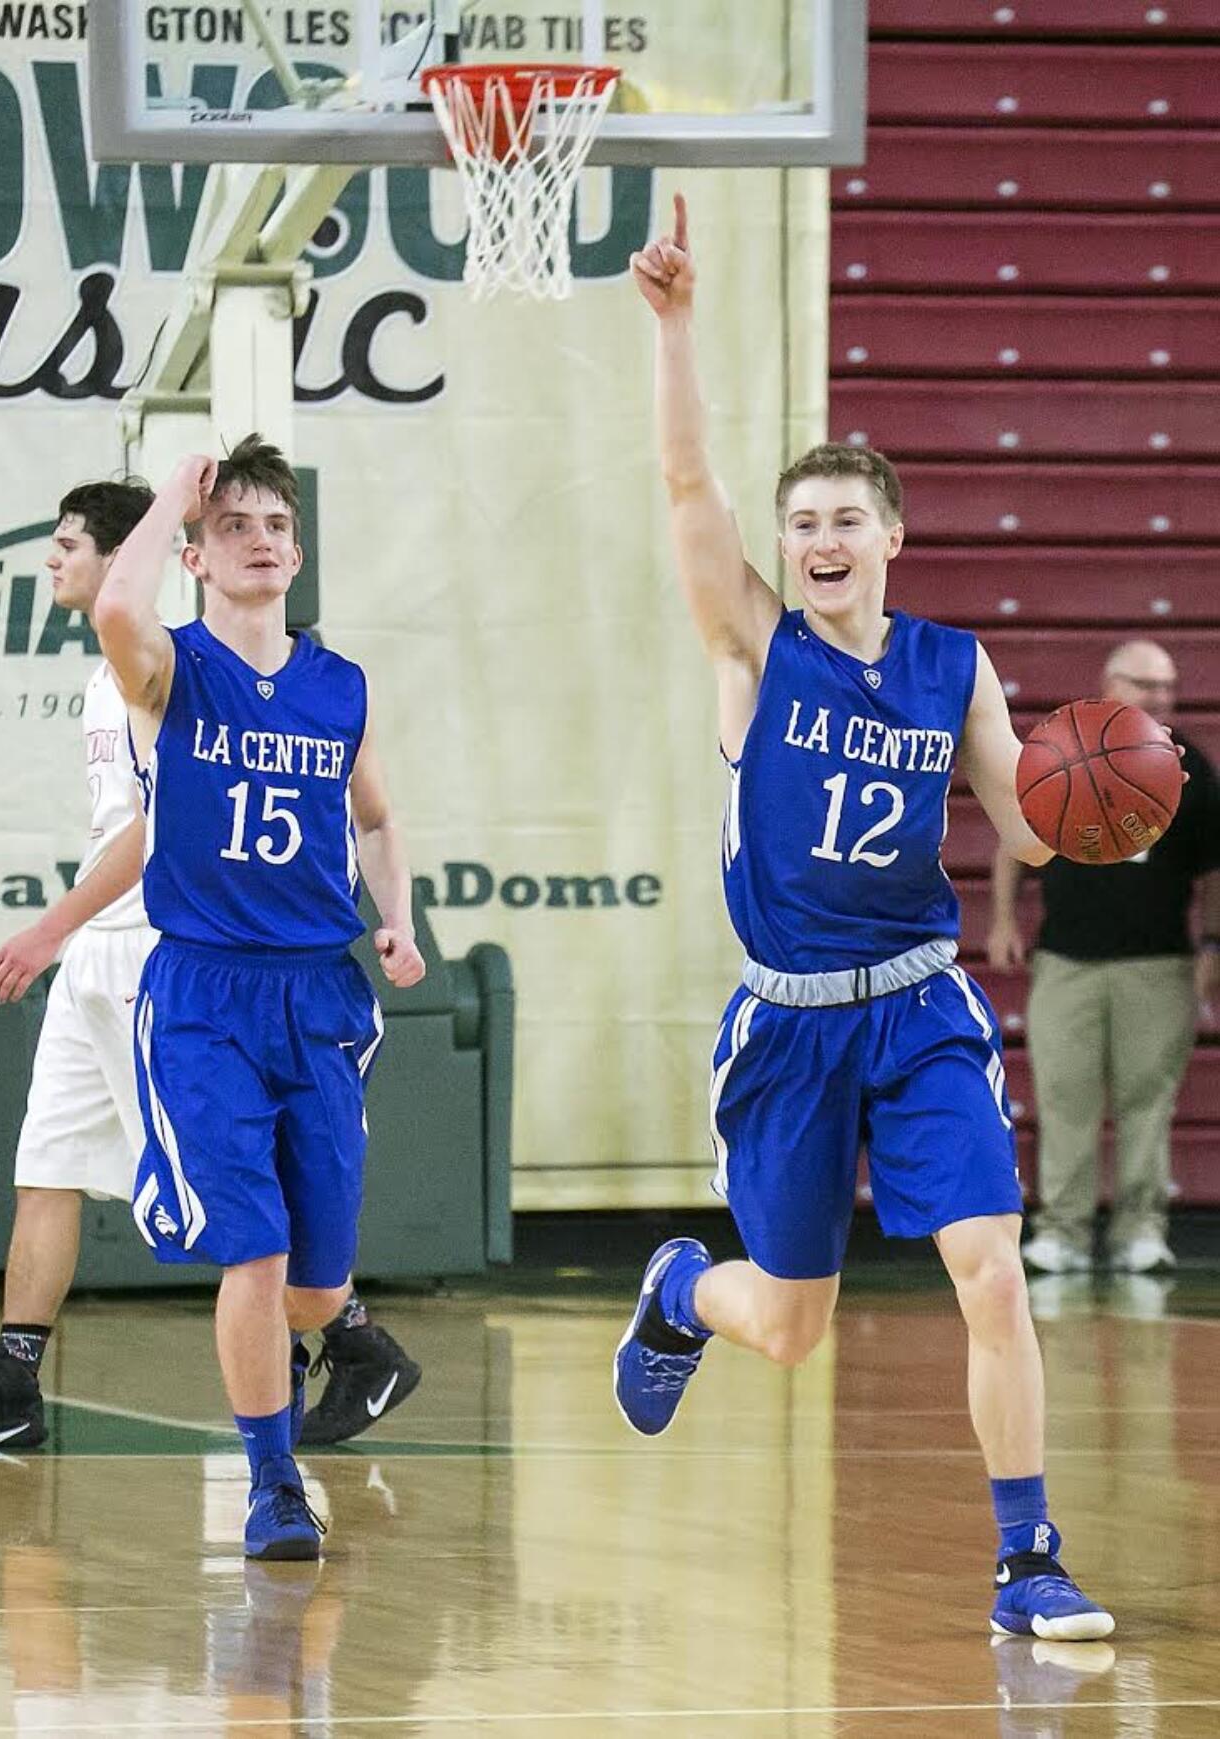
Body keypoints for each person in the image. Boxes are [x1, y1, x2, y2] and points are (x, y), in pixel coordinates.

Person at [613, 195, 1115, 1640]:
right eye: (802, 522)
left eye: (845, 519)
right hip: (785, 1020)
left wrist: (1100, 815)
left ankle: (1026, 1559)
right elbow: (684, 484)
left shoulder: (954, 667)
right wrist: (674, 324)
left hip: (914, 1005)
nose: (821, 537)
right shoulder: (752, 647)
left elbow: (1021, 821)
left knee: (987, 1270)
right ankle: (678, 1292)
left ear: (892, 534)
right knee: (785, 1321)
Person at [0, 480, 420, 1457]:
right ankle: (14, 1376)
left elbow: (151, 833)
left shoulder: (174, 666)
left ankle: (341, 1345)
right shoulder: (114, 677)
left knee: (246, 1221)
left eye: (68, 544)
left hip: (179, 949)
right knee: (46, 1162)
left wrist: (49, 924)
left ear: (133, 554)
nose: (53, 561)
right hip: (104, 956)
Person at [93, 436, 425, 1560]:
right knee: (257, 1249)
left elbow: (374, 816)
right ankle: (271, 1480)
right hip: (202, 992)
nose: (262, 540)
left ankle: (349, 1341)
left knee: (313, 1277)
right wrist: (166, 502)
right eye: (233, 525)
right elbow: (110, 609)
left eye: (276, 525)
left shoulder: (340, 686)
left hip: (319, 993)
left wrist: (397, 914)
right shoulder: (171, 667)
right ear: (194, 553)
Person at [988, 639, 1220, 1277]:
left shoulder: (1190, 765)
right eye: (1146, 684)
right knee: (1065, 1100)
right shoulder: (1062, 752)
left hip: (1158, 964)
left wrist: (1211, 944)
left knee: (1149, 1102)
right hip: (1066, 960)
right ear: (1109, 683)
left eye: (1168, 686)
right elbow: (1014, 842)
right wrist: (1005, 919)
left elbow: (1213, 868)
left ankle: (1140, 1231)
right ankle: (1061, 1232)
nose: (1160, 697)